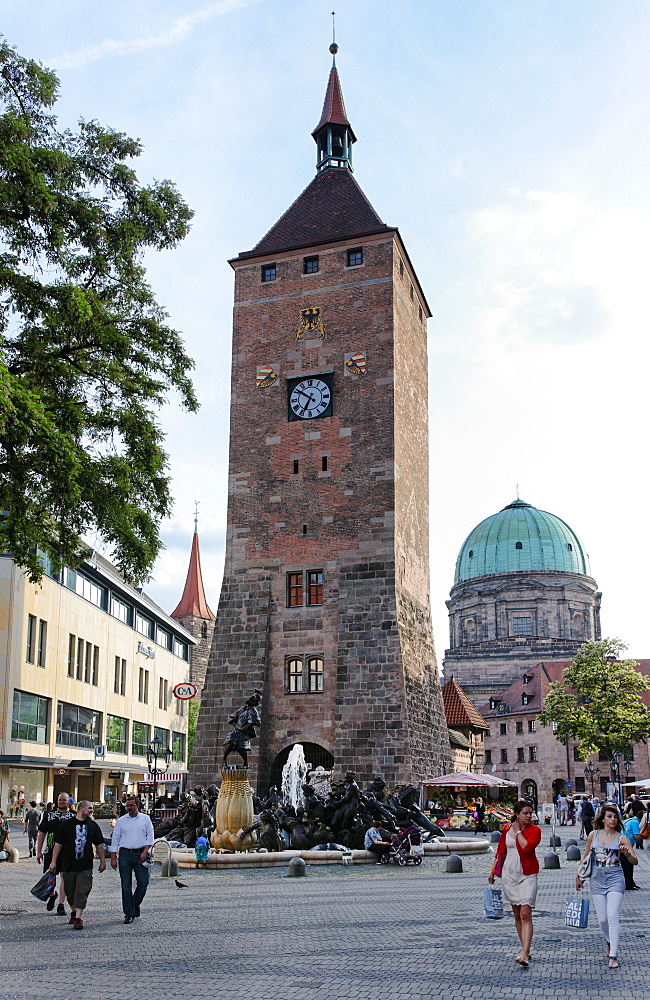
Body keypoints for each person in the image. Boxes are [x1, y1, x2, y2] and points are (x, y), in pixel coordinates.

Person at [576, 803, 638, 969]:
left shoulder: (621, 838)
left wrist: (626, 854)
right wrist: (578, 876)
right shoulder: (593, 835)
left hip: (615, 878)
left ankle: (613, 956)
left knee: (612, 915)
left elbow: (635, 860)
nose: (612, 819)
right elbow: (586, 856)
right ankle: (609, 940)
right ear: (602, 819)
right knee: (602, 918)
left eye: (615, 816)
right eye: (609, 816)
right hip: (597, 878)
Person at [488, 800, 541, 968]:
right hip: (509, 873)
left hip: (528, 873)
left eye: (530, 813)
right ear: (517, 814)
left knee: (526, 912)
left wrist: (518, 832)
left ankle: (525, 953)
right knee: (517, 914)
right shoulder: (506, 829)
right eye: (525, 813)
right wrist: (492, 871)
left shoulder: (536, 830)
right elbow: (501, 851)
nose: (529, 816)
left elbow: (527, 848)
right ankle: (525, 947)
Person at [48, 800, 106, 930]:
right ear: (81, 809)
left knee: (83, 890)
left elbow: (99, 845)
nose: (92, 810)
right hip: (68, 864)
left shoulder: (93, 825)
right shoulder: (67, 825)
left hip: (85, 865)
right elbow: (58, 844)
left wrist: (103, 862)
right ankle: (74, 911)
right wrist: (53, 861)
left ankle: (78, 917)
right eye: (90, 808)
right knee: (70, 891)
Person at [110, 794, 154, 923]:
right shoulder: (121, 821)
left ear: (138, 805)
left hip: (141, 853)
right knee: (126, 886)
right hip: (125, 854)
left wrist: (145, 851)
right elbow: (115, 840)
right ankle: (128, 913)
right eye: (127, 806)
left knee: (143, 883)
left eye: (132, 805)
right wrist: (113, 858)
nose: (129, 808)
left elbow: (150, 836)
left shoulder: (145, 819)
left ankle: (134, 904)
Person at [36, 792, 75, 915]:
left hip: (67, 852)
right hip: (50, 850)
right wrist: (38, 851)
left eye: (64, 800)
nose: (61, 802)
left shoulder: (73, 816)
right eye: (60, 800)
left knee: (64, 877)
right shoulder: (48, 815)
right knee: (50, 876)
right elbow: (42, 833)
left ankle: (61, 905)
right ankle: (52, 895)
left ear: (68, 802)